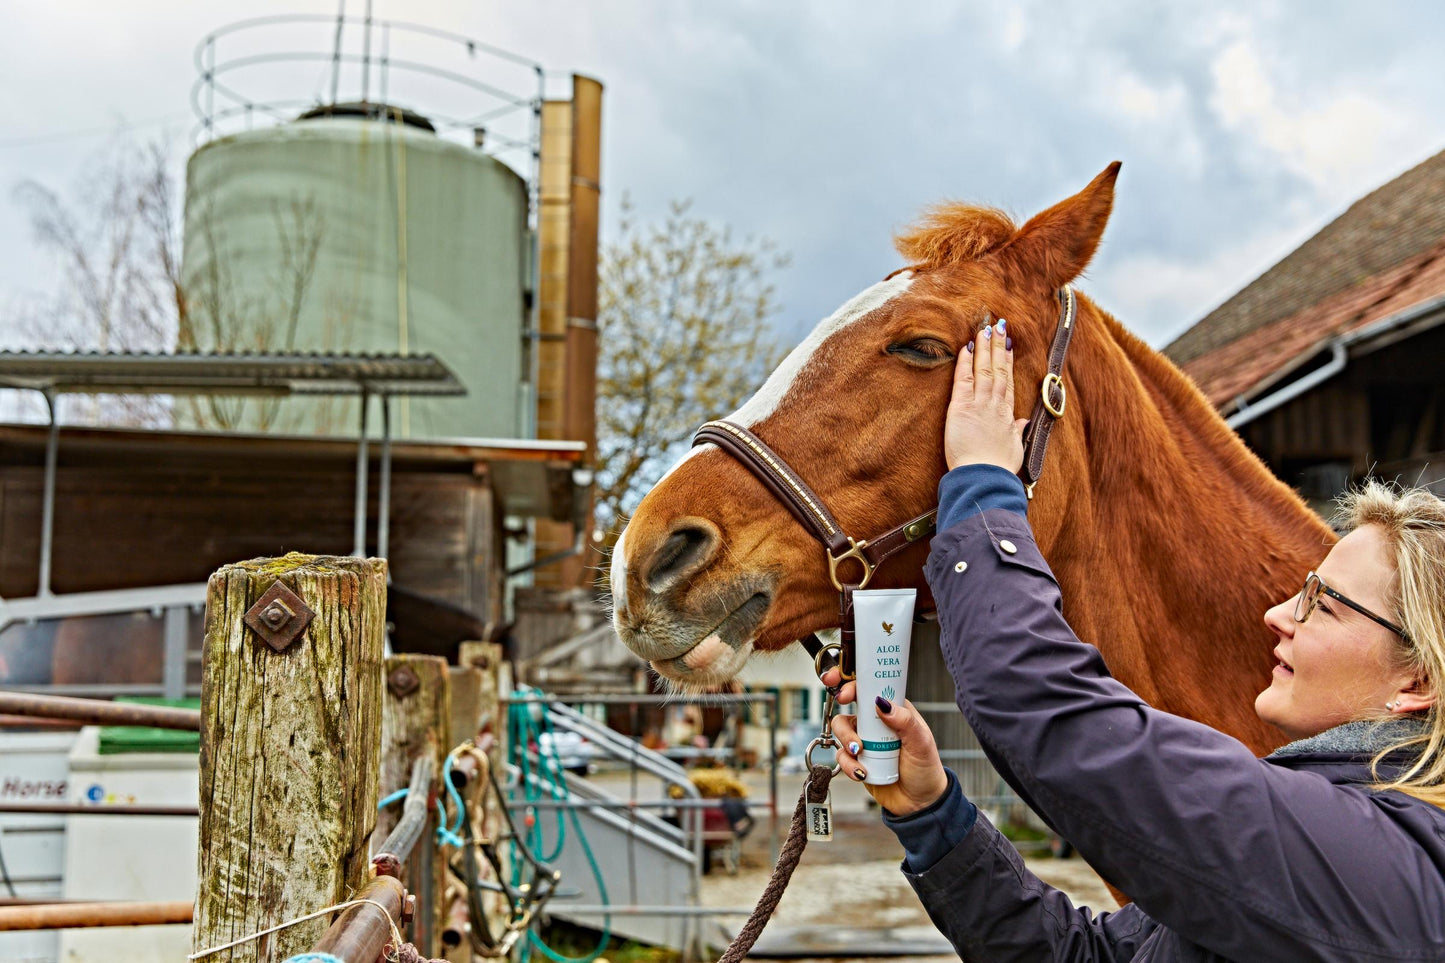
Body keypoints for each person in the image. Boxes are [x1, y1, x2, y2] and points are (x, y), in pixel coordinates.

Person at [824, 316, 1445, 961]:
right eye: (1302, 588)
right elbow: (1084, 957)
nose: (1280, 613)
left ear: (1418, 680)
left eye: (1324, 603)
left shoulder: (1392, 861)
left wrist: (981, 487)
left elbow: (1059, 718)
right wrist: (933, 814)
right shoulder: (1347, 841)